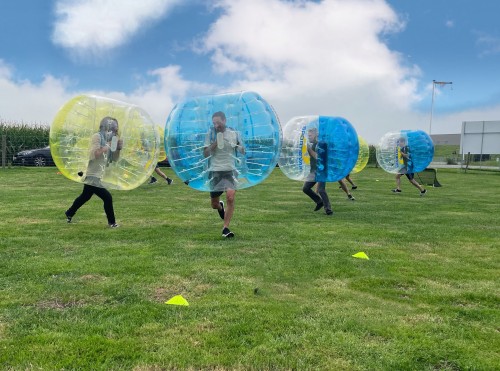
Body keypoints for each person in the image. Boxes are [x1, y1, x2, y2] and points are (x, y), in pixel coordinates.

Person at [65, 116, 123, 228]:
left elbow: (114, 159)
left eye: (116, 127)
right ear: (107, 126)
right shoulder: (97, 136)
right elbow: (95, 154)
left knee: (85, 197)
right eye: (114, 127)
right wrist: (109, 145)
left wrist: (118, 149)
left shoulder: (111, 139)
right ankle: (112, 223)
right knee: (107, 197)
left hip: (99, 174)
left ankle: (69, 213)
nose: (116, 129)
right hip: (93, 174)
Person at [203, 111, 245, 238]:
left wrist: (241, 149)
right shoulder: (210, 134)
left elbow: (241, 149)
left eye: (218, 123)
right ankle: (220, 207)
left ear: (224, 121)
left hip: (230, 170)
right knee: (214, 204)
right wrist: (216, 141)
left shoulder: (234, 134)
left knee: (230, 197)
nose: (216, 125)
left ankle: (225, 228)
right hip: (215, 170)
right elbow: (205, 153)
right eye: (214, 123)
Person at [303, 127, 333, 215]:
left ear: (316, 134)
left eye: (310, 135)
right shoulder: (313, 144)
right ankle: (319, 202)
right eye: (308, 135)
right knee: (305, 188)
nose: (309, 137)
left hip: (322, 170)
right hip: (314, 170)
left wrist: (308, 149)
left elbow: (317, 157)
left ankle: (328, 209)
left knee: (321, 189)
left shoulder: (321, 144)